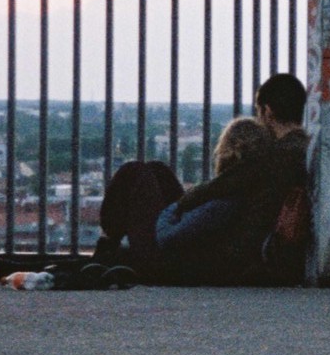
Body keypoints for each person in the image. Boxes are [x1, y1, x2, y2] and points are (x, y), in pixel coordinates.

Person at [96, 73, 312, 286]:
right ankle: (108, 250)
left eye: (259, 112)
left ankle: (105, 249)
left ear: (267, 111)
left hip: (203, 263)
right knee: (158, 170)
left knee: (134, 172)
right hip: (225, 251)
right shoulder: (302, 150)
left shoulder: (274, 157)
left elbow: (214, 188)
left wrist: (179, 206)